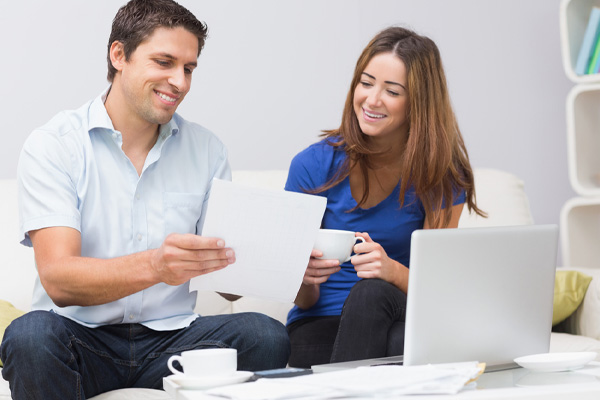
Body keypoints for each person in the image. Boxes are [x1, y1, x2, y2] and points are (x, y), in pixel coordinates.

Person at [0, 1, 290, 398]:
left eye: (188, 69)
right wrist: (157, 264)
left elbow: (228, 289)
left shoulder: (207, 150)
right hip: (80, 339)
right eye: (164, 62)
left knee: (264, 334)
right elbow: (59, 280)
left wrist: (279, 265)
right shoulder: (54, 145)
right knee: (29, 335)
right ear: (118, 55)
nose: (181, 82)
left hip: (172, 342)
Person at [285, 26, 485, 368]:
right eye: (366, 83)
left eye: (392, 91)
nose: (372, 99)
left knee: (373, 292)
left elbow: (436, 286)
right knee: (394, 343)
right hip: (320, 323)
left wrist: (390, 271)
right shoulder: (313, 164)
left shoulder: (442, 174)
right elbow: (303, 299)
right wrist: (303, 276)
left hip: (403, 309)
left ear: (419, 103)